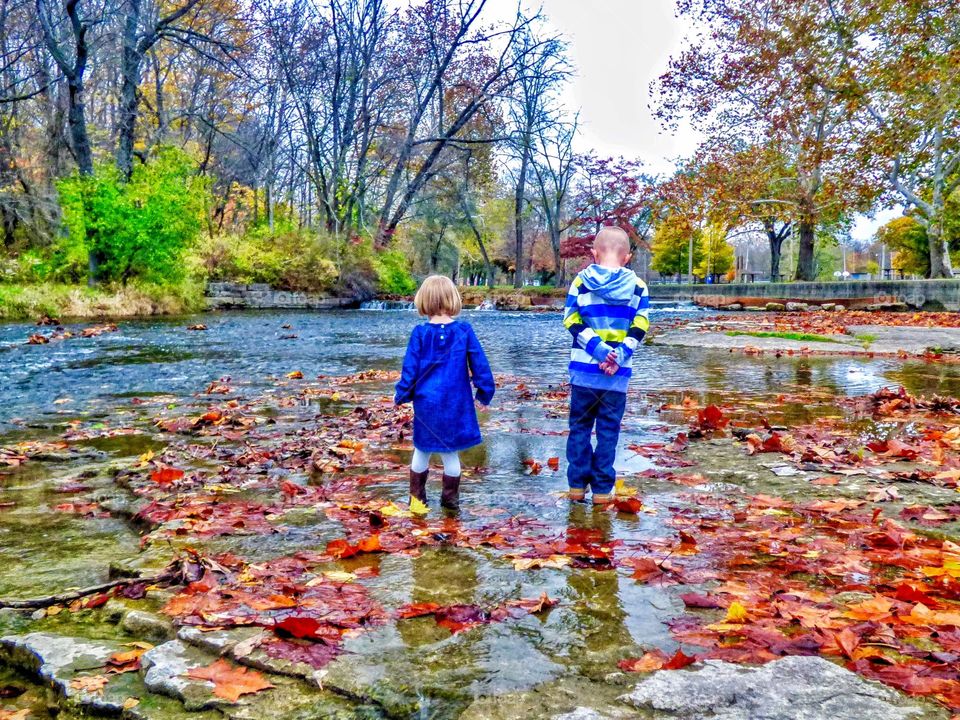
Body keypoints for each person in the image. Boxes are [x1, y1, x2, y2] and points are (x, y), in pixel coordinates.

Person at [562, 226, 650, 505]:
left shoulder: (581, 281)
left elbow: (571, 319)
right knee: (608, 432)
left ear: (594, 253)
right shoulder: (638, 286)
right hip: (616, 377)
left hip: (584, 374)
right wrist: (618, 355)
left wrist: (598, 351)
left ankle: (577, 487)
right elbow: (641, 325)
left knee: (580, 429)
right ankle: (601, 492)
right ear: (627, 257)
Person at [394, 275, 495, 511]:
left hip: (426, 403)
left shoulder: (420, 333)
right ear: (452, 298)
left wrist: (401, 395)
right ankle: (450, 506)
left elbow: (410, 369)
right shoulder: (464, 331)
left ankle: (417, 502)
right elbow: (480, 364)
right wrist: (484, 393)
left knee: (422, 450)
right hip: (455, 403)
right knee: (450, 454)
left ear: (424, 300)